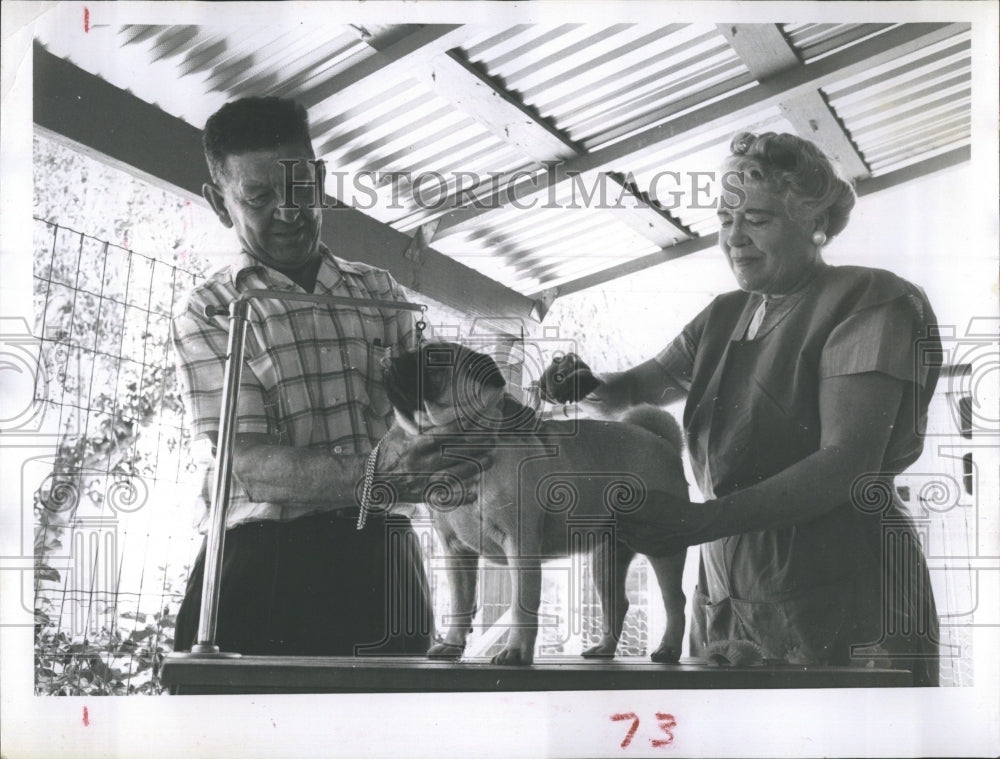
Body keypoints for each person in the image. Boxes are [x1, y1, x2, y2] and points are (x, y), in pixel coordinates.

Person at [540, 132, 941, 685]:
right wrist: (583, 384)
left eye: (757, 219)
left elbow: (847, 463)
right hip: (728, 588)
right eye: (726, 218)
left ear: (814, 223)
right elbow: (634, 390)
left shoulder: (869, 301)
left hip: (842, 583)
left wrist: (697, 522)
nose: (734, 237)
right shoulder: (725, 315)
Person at [171, 96, 483, 656]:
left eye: (299, 188)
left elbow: (435, 425)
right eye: (259, 197)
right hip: (260, 566)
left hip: (383, 564)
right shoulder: (212, 310)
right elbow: (247, 463)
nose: (288, 211)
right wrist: (382, 473)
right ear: (220, 204)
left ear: (317, 178)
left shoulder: (382, 293)